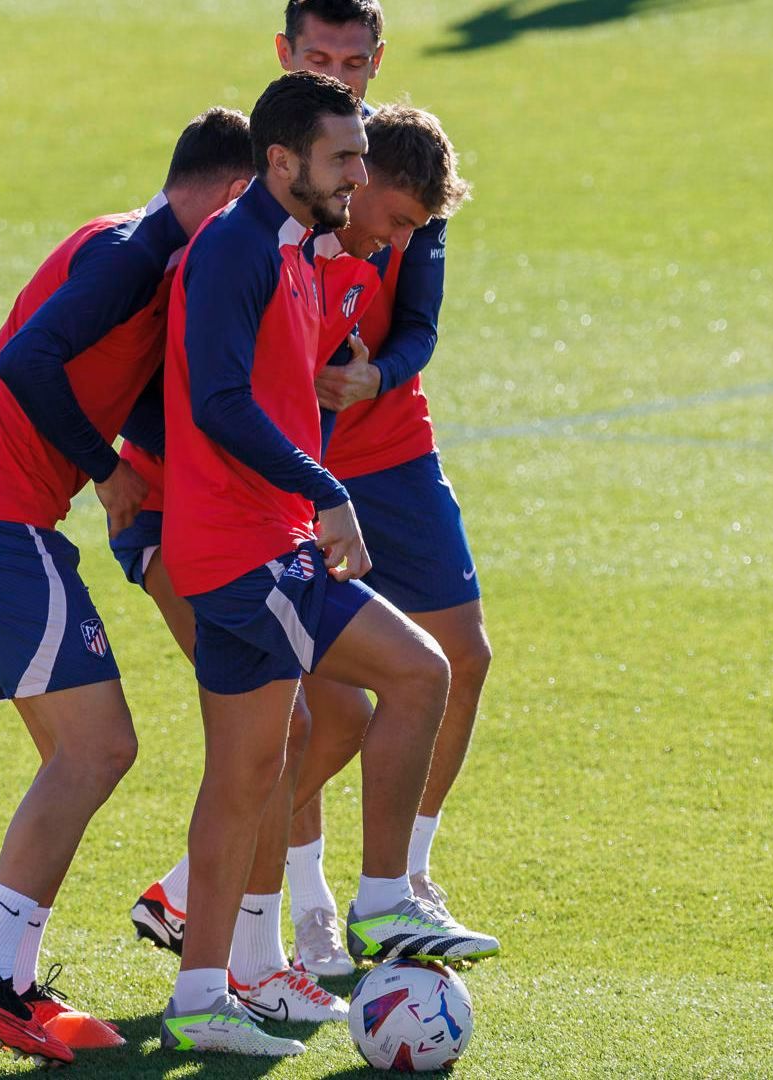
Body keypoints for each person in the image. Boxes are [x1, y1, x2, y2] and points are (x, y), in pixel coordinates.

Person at [154, 70, 492, 1059]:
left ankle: (210, 992)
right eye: (345, 157)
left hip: (251, 543)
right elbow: (219, 402)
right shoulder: (239, 251)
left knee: (249, 774)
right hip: (247, 548)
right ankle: (387, 901)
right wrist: (327, 491)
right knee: (420, 670)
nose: (358, 171)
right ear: (283, 161)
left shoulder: (299, 253)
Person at [0, 107, 253, 1066]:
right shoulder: (131, 256)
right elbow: (25, 362)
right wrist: (104, 471)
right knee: (99, 750)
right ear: (229, 194)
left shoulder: (143, 256)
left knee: (77, 754)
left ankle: (1, 975)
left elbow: (133, 386)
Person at [278, 0, 501, 976]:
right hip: (300, 469)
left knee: (463, 656)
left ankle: (406, 878)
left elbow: (419, 322)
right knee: (317, 699)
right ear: (287, 57)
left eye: (353, 58)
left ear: (377, 61)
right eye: (319, 56)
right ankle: (312, 904)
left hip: (394, 456)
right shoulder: (277, 177)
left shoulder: (406, 170)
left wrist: (377, 373)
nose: (340, 72)